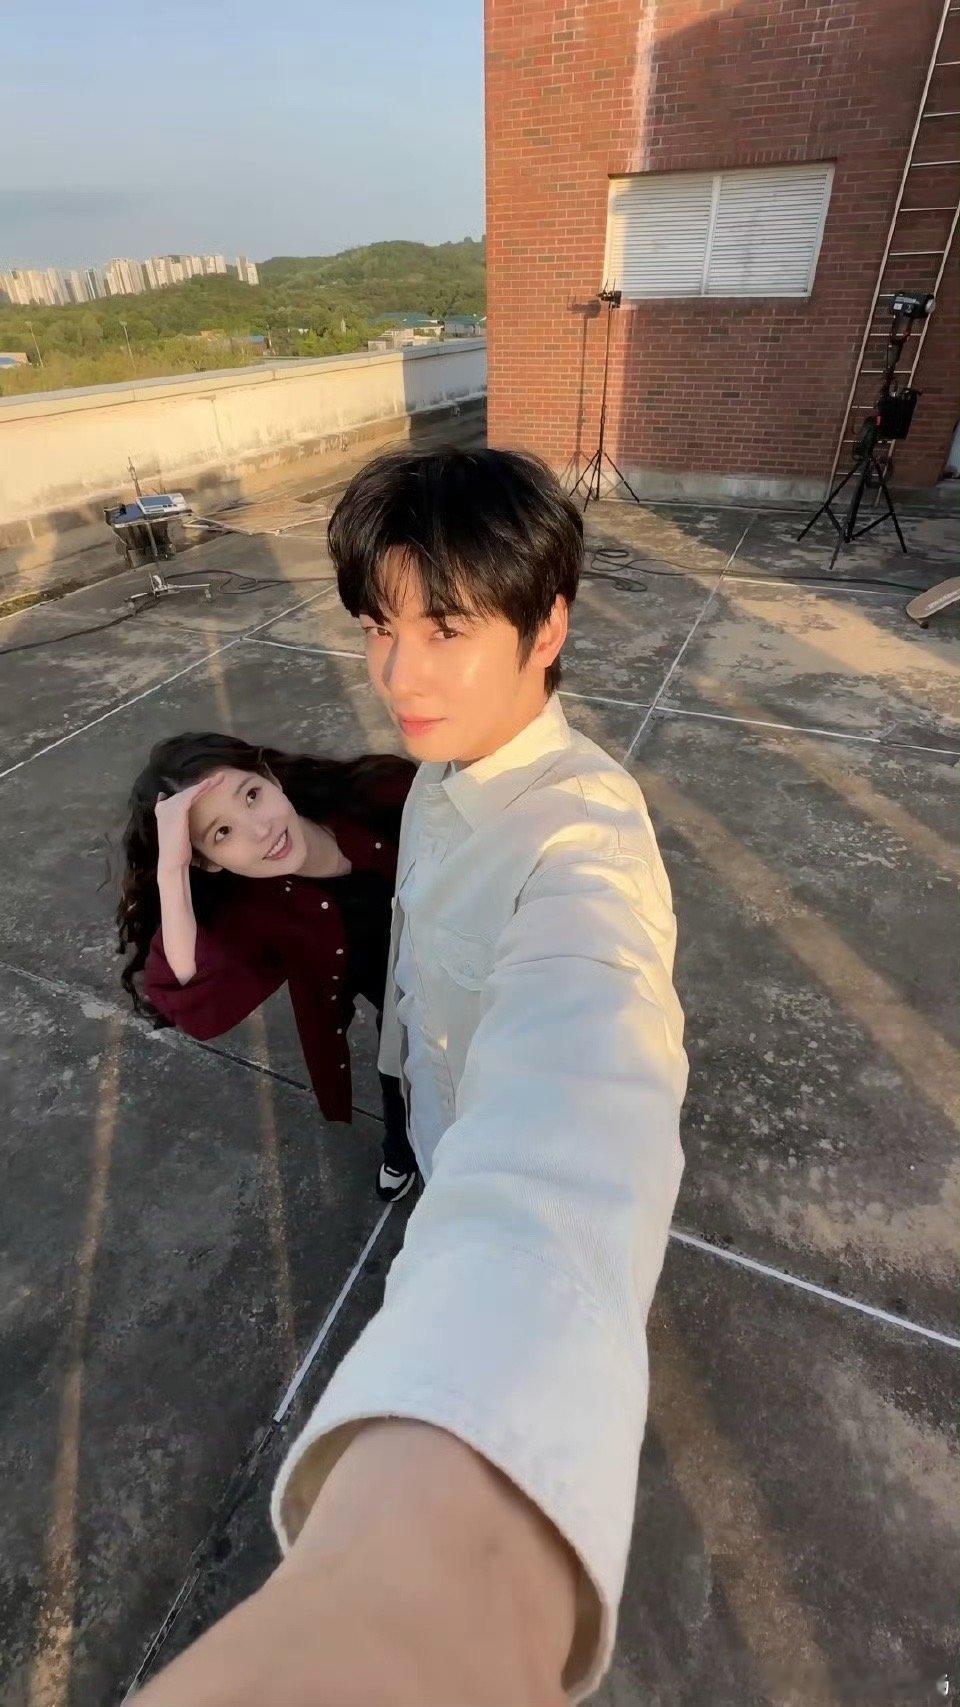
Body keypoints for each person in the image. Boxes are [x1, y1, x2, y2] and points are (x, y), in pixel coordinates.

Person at [135, 448, 688, 1705]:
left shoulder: (584, 843)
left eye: (446, 627)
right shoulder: (441, 773)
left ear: (548, 627)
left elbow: (585, 1094)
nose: (398, 674)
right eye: (379, 628)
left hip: (476, 1174)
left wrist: (437, 1530)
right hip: (429, 1128)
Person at [117, 732, 419, 1201]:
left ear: (272, 778)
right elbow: (188, 985)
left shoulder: (367, 796)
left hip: (462, 964)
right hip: (396, 1003)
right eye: (222, 833)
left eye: (252, 796)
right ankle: (400, 1149)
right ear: (207, 862)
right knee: (400, 1069)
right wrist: (171, 869)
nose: (260, 831)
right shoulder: (255, 910)